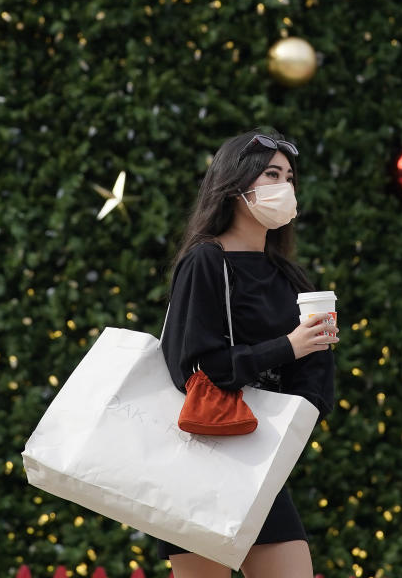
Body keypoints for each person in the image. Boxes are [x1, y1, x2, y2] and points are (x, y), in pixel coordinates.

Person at [158, 129, 339, 578]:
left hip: (258, 463)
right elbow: (193, 368)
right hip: (201, 455)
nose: (285, 187)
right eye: (271, 174)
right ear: (236, 185)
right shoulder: (205, 262)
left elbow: (313, 375)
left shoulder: (290, 276)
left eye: (290, 177)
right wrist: (288, 347)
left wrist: (302, 396)